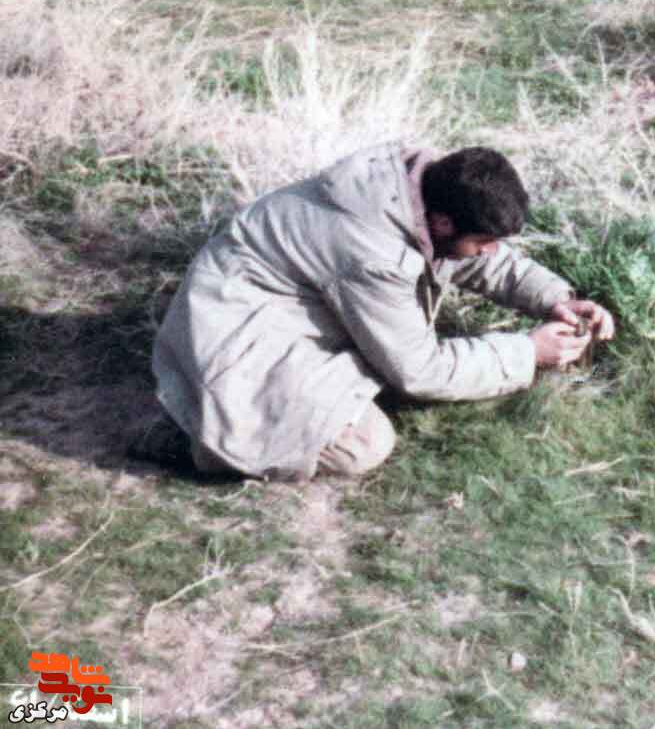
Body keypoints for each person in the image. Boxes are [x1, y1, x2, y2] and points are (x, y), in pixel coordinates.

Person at [151, 144, 615, 481]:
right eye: (484, 241)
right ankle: (192, 436)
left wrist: (554, 297)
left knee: (378, 369)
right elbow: (421, 371)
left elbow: (472, 257)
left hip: (270, 308)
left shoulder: (422, 190)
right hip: (233, 334)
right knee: (362, 444)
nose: (490, 252)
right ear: (443, 223)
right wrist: (527, 352)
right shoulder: (371, 252)